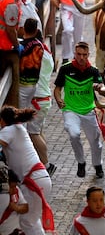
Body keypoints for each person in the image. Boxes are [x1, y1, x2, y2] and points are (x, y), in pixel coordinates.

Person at [54, 41, 105, 178]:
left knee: (95, 142)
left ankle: (97, 164)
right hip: (71, 110)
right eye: (79, 54)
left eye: (84, 55)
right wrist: (59, 99)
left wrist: (100, 88)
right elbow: (57, 89)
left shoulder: (93, 71)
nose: (82, 57)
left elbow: (102, 87)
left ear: (88, 54)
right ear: (75, 54)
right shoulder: (65, 69)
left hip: (88, 111)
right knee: (74, 134)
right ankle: (81, 162)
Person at [0, 106, 54, 235]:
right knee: (31, 220)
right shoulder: (19, 128)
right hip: (39, 179)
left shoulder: (9, 131)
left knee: (27, 221)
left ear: (2, 120)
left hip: (34, 180)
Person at [28, 33, 57, 177]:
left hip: (38, 99)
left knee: (33, 133)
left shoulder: (36, 54)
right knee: (38, 131)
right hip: (44, 97)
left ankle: (46, 165)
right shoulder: (47, 53)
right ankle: (43, 160)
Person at [0, 0, 23, 107]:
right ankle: (12, 107)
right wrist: (17, 45)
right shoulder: (11, 5)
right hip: (4, 47)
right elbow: (10, 29)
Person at [50, 0, 85, 64]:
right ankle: (65, 57)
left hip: (79, 6)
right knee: (67, 30)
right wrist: (58, 5)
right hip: (66, 7)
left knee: (78, 34)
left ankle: (77, 56)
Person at [19, 18, 44, 109]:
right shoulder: (40, 44)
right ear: (36, 30)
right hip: (34, 84)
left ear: (23, 29)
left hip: (22, 84)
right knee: (26, 109)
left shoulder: (21, 46)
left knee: (21, 113)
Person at [0, 164, 29, 235]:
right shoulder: (2, 197)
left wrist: (17, 208)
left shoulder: (16, 190)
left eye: (14, 187)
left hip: (18, 231)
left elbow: (26, 207)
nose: (14, 190)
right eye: (11, 187)